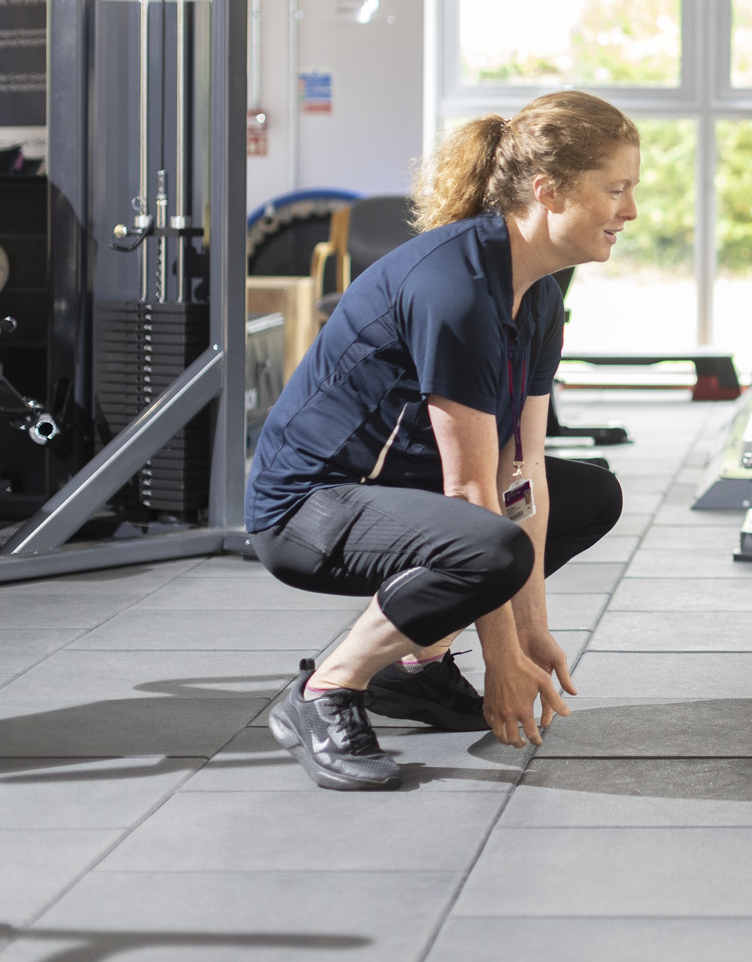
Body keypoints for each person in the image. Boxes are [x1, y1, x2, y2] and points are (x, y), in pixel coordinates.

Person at [245, 90, 637, 791]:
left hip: (398, 496)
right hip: (309, 510)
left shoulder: (540, 288)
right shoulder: (454, 287)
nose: (630, 212)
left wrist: (530, 630)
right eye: (615, 190)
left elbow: (524, 469)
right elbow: (471, 494)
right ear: (548, 191)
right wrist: (501, 659)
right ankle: (326, 691)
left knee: (589, 495)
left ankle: (415, 670)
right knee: (489, 544)